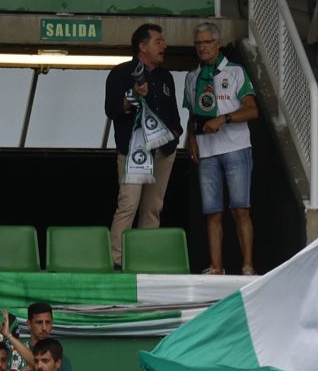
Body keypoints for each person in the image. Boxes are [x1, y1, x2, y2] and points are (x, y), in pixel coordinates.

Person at [104, 22, 180, 268]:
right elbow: (112, 109)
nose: (164, 45)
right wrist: (132, 97)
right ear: (142, 46)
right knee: (128, 205)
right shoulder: (121, 73)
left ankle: (145, 259)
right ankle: (116, 260)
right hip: (134, 151)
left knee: (153, 209)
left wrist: (174, 136)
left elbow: (174, 116)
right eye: (159, 41)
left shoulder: (166, 76)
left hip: (163, 151)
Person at [186, 21, 258, 275]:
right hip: (207, 151)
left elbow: (252, 109)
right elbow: (193, 116)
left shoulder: (235, 72)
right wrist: (191, 138)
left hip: (236, 147)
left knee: (240, 208)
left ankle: (247, 265)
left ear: (218, 43)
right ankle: (216, 266)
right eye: (198, 43)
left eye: (207, 42)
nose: (202, 47)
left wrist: (224, 119)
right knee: (212, 212)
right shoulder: (192, 76)